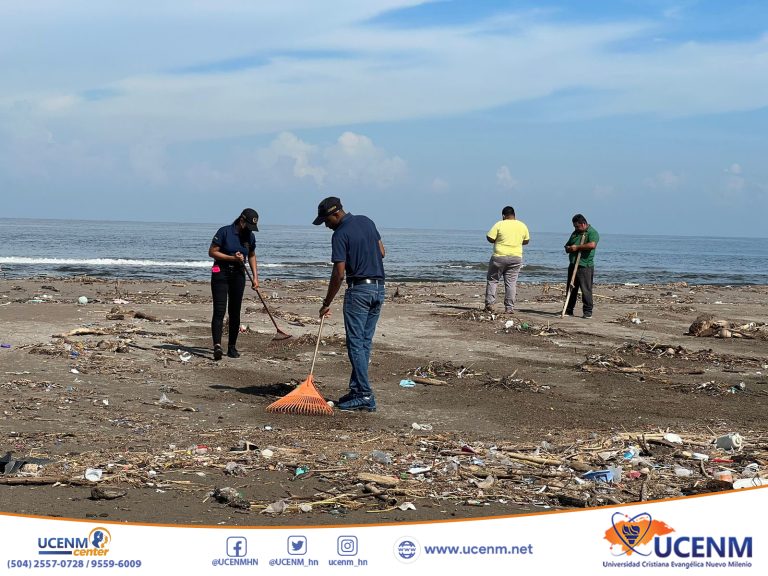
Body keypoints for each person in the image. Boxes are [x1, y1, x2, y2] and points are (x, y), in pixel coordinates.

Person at [314, 196, 385, 412]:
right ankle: (357, 390)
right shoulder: (367, 221)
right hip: (379, 288)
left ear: (335, 214)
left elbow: (339, 273)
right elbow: (382, 252)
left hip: (359, 291)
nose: (326, 225)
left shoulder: (340, 234)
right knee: (364, 342)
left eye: (326, 220)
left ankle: (364, 394)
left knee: (356, 343)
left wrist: (326, 302)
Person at [208, 208, 260, 360]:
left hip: (239, 274)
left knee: (235, 311)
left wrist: (255, 277)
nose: (250, 230)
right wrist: (232, 258)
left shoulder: (250, 237)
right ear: (241, 220)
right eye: (248, 226)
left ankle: (232, 347)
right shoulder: (225, 232)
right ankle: (217, 345)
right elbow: (212, 252)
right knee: (219, 310)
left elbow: (251, 255)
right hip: (221, 272)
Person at [484, 206, 530, 313]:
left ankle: (489, 304)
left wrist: (497, 240)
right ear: (514, 215)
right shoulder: (522, 225)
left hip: (499, 256)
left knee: (493, 280)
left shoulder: (499, 224)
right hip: (516, 257)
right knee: (511, 283)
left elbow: (490, 237)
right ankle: (509, 308)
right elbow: (526, 241)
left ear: (503, 216)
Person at [564, 213, 600, 318]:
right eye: (575, 226)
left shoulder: (592, 232)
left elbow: (592, 245)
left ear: (583, 224)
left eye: (577, 226)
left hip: (585, 265)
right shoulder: (575, 233)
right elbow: (568, 244)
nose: (576, 228)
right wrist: (569, 248)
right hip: (573, 264)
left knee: (586, 289)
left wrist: (578, 247)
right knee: (571, 288)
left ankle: (588, 312)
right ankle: (568, 310)